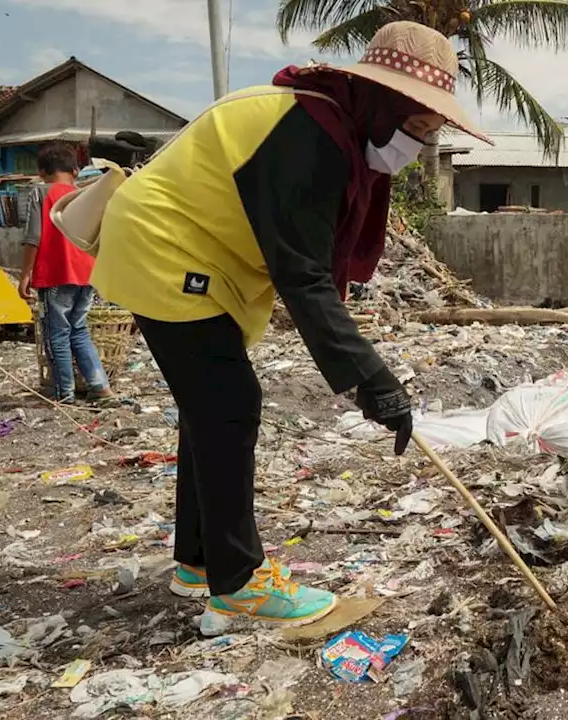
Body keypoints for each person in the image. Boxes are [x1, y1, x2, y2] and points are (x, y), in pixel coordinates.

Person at [90, 22, 488, 628]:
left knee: (211, 407)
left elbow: (305, 272)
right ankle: (239, 580)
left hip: (195, 254)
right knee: (227, 405)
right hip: (167, 248)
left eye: (429, 134)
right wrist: (373, 380)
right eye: (416, 128)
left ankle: (200, 562)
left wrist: (363, 374)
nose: (415, 147)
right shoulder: (307, 138)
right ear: (381, 104)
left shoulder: (329, 127)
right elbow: (304, 277)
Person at [19, 142, 111, 402]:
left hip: (56, 274)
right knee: (78, 330)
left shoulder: (40, 193)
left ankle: (63, 393)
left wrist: (25, 274)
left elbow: (33, 237)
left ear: (42, 171)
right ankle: (100, 387)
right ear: (75, 170)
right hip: (87, 273)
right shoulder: (84, 194)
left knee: (56, 335)